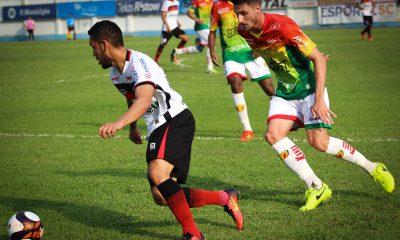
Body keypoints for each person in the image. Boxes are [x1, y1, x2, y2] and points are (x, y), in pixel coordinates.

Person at [231, 0, 395, 211]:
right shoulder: (244, 31)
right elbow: (264, 50)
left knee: (319, 142)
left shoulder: (283, 25)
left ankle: (373, 168)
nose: (239, 19)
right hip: (285, 92)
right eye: (237, 14)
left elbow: (318, 59)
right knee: (273, 135)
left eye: (243, 13)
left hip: (309, 90)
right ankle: (316, 186)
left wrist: (318, 99)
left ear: (257, 9)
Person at [88, 20, 243, 240]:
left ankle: (193, 234)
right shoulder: (116, 73)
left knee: (157, 173)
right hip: (157, 127)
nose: (93, 54)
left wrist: (119, 123)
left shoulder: (140, 63)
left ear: (104, 45)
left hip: (175, 119)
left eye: (93, 47)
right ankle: (225, 198)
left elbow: (143, 99)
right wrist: (133, 127)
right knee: (161, 194)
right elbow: (132, 100)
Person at [209, 0, 275, 142]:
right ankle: (247, 130)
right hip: (231, 53)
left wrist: (260, 46)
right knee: (235, 82)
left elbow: (261, 23)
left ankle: (279, 121)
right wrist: (212, 51)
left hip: (252, 51)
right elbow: (213, 31)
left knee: (270, 90)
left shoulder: (247, 3)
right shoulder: (217, 6)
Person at [172, 0, 216, 73]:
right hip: (201, 27)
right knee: (210, 45)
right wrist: (197, 19)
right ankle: (210, 68)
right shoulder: (197, 1)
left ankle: (177, 51)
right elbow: (189, 13)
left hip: (208, 26)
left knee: (199, 49)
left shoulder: (211, 1)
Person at [154, 0, 189, 64]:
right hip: (167, 29)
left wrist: (177, 22)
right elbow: (163, 15)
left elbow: (174, 14)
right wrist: (167, 26)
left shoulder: (176, 2)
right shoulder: (166, 2)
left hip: (175, 27)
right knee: (162, 45)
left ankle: (174, 53)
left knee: (185, 39)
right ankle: (155, 61)